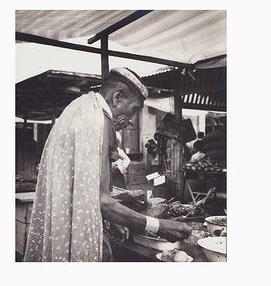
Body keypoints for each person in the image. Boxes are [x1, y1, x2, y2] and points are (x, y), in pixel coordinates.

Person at [24, 67, 192, 262]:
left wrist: (113, 218)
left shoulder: (80, 107)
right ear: (117, 97)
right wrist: (159, 226)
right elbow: (102, 202)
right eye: (135, 109)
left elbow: (83, 192)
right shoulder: (99, 119)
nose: (131, 121)